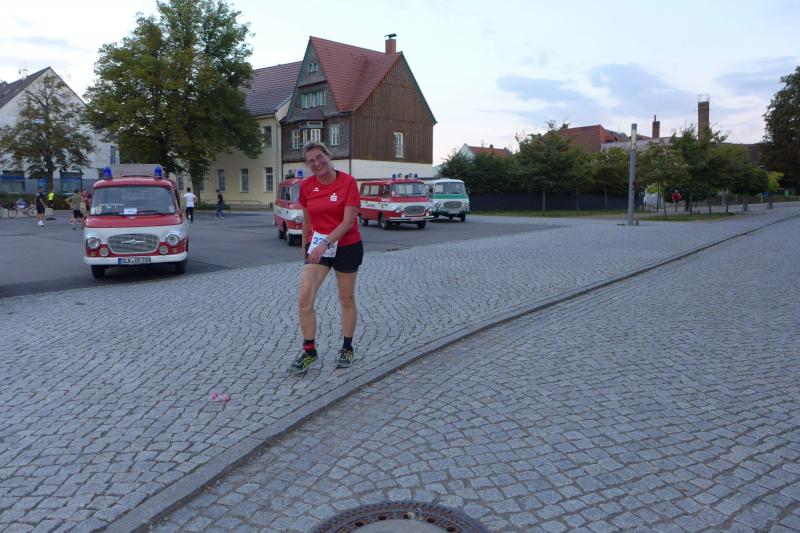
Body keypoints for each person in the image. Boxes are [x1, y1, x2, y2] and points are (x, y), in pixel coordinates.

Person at [290, 141, 363, 375]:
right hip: (318, 246)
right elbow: (307, 219)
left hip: (347, 245)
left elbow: (348, 222)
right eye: (310, 161)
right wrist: (306, 246)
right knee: (304, 297)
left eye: (319, 157)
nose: (316, 163)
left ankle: (347, 348)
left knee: (346, 298)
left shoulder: (348, 182)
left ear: (328, 156)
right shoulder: (306, 186)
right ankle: (309, 352)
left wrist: (324, 244)